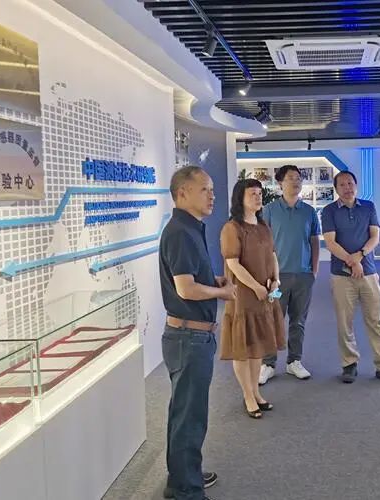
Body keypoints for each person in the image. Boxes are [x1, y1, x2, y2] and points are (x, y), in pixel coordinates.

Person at [159, 166, 237, 500]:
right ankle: (185, 490)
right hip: (188, 338)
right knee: (189, 418)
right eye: (204, 189)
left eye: (212, 189)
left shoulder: (190, 228)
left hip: (191, 337)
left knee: (186, 413)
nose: (212, 195)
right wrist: (222, 292)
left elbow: (191, 278)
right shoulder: (181, 232)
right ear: (182, 193)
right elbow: (186, 289)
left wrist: (212, 280)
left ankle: (184, 475)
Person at [321, 171, 380, 385]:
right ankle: (349, 364)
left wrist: (359, 256)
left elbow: (375, 237)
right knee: (345, 322)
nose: (347, 188)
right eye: (342, 184)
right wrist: (351, 262)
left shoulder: (368, 207)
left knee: (376, 320)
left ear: (356, 186)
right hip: (341, 275)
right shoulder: (329, 211)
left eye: (350, 183)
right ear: (336, 189)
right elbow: (330, 242)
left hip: (368, 272)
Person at [220, 178, 286, 418]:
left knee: (257, 345)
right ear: (240, 198)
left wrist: (276, 280)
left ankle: (256, 392)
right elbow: (233, 263)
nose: (258, 197)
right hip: (243, 296)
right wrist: (256, 287)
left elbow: (273, 255)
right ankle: (248, 395)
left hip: (266, 293)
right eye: (253, 194)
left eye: (260, 193)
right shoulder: (232, 228)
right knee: (243, 347)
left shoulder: (263, 225)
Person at [259, 165, 320, 384]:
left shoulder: (309, 212)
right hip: (277, 279)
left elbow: (314, 242)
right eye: (291, 178)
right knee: (272, 319)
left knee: (299, 320)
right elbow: (262, 243)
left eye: (298, 178)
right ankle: (268, 363)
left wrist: (314, 271)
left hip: (303, 277)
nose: (296, 182)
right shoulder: (269, 210)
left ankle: (294, 361)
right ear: (280, 183)